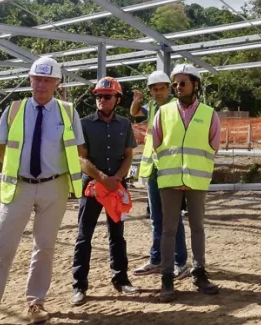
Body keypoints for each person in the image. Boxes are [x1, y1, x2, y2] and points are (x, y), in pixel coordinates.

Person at [0, 57, 84, 325]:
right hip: (19, 186)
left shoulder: (68, 112)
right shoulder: (14, 110)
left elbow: (77, 150)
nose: (41, 84)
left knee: (44, 248)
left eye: (47, 80)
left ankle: (36, 303)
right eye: (37, 78)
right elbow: (0, 148)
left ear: (57, 83)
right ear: (30, 79)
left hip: (54, 187)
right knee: (3, 250)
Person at [151, 64, 221, 302]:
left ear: (195, 85)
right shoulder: (163, 112)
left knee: (198, 229)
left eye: (183, 83)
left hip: (197, 180)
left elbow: (213, 146)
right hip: (169, 180)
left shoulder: (209, 114)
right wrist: (173, 174)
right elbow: (157, 145)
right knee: (168, 231)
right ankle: (167, 277)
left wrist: (191, 174)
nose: (178, 88)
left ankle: (199, 273)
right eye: (176, 84)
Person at [71, 77, 139, 306]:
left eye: (107, 96)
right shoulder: (84, 123)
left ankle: (121, 279)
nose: (101, 100)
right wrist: (102, 178)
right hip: (92, 186)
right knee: (84, 235)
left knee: (117, 235)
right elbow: (81, 157)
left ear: (117, 99)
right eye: (98, 96)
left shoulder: (124, 125)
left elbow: (129, 155)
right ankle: (79, 285)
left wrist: (117, 179)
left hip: (116, 186)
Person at [131, 71, 190, 280]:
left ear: (169, 88)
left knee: (173, 219)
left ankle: (180, 262)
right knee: (156, 219)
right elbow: (135, 111)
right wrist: (136, 101)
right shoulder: (153, 107)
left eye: (162, 88)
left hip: (171, 170)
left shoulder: (178, 107)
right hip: (153, 170)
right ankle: (156, 260)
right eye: (154, 89)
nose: (158, 92)